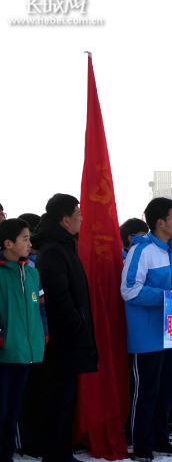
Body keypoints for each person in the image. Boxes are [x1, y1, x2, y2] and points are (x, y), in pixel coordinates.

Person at [121, 197, 172, 459]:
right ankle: (141, 444)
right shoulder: (141, 250)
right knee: (146, 393)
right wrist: (167, 295)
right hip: (147, 336)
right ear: (160, 222)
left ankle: (161, 439)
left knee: (167, 392)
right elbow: (129, 291)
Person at [32, 194, 98, 462]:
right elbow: (58, 297)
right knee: (56, 401)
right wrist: (77, 321)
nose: (82, 218)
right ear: (65, 219)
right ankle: (56, 454)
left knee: (64, 399)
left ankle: (61, 452)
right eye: (78, 213)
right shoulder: (52, 250)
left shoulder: (62, 245)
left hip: (69, 340)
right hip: (61, 342)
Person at [0, 219, 48, 462]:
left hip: (26, 354)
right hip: (5, 354)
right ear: (8, 243)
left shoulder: (32, 271)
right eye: (25, 239)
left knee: (13, 413)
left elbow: (41, 307)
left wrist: (44, 334)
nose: (30, 243)